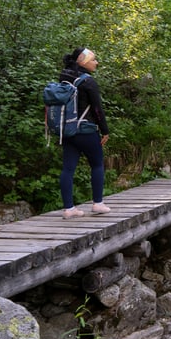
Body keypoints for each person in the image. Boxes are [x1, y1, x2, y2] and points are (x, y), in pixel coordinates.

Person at [59, 47, 111, 219]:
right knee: (97, 164)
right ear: (84, 62)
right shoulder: (88, 81)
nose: (96, 62)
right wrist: (105, 130)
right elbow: (97, 109)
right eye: (94, 60)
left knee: (68, 168)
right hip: (86, 130)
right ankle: (98, 204)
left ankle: (69, 208)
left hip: (68, 130)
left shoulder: (65, 78)